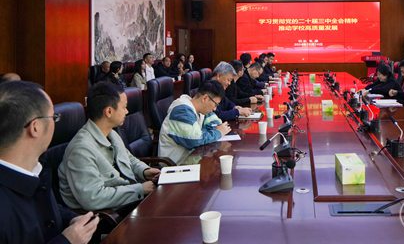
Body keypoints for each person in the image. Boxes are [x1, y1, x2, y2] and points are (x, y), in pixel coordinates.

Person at [0, 81, 99, 243]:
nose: (55, 122)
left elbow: (42, 208)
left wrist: (71, 219)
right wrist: (67, 241)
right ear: (36, 127)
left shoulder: (34, 168)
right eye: (54, 117)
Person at [59, 82, 159, 211]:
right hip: (110, 214)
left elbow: (129, 159)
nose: (127, 111)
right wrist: (140, 189)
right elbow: (94, 198)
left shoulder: (111, 133)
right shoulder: (81, 150)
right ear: (109, 111)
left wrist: (145, 171)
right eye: (124, 107)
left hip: (128, 200)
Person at [158, 81, 231, 164]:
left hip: (192, 159)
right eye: (215, 104)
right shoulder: (182, 111)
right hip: (176, 165)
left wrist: (208, 132)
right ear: (205, 98)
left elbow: (216, 123)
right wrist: (218, 133)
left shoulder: (201, 109)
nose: (215, 109)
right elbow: (195, 140)